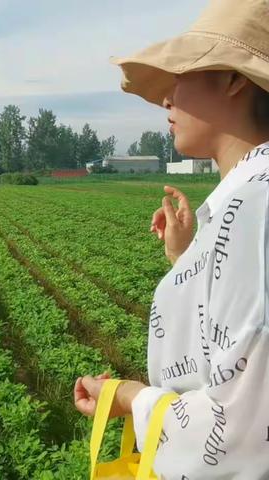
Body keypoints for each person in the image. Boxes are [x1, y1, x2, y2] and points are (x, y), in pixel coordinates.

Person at [73, 0, 269, 478]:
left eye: (181, 76)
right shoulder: (248, 196)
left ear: (232, 79)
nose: (166, 99)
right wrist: (187, 257)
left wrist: (129, 397)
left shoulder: (255, 205)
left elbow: (237, 436)